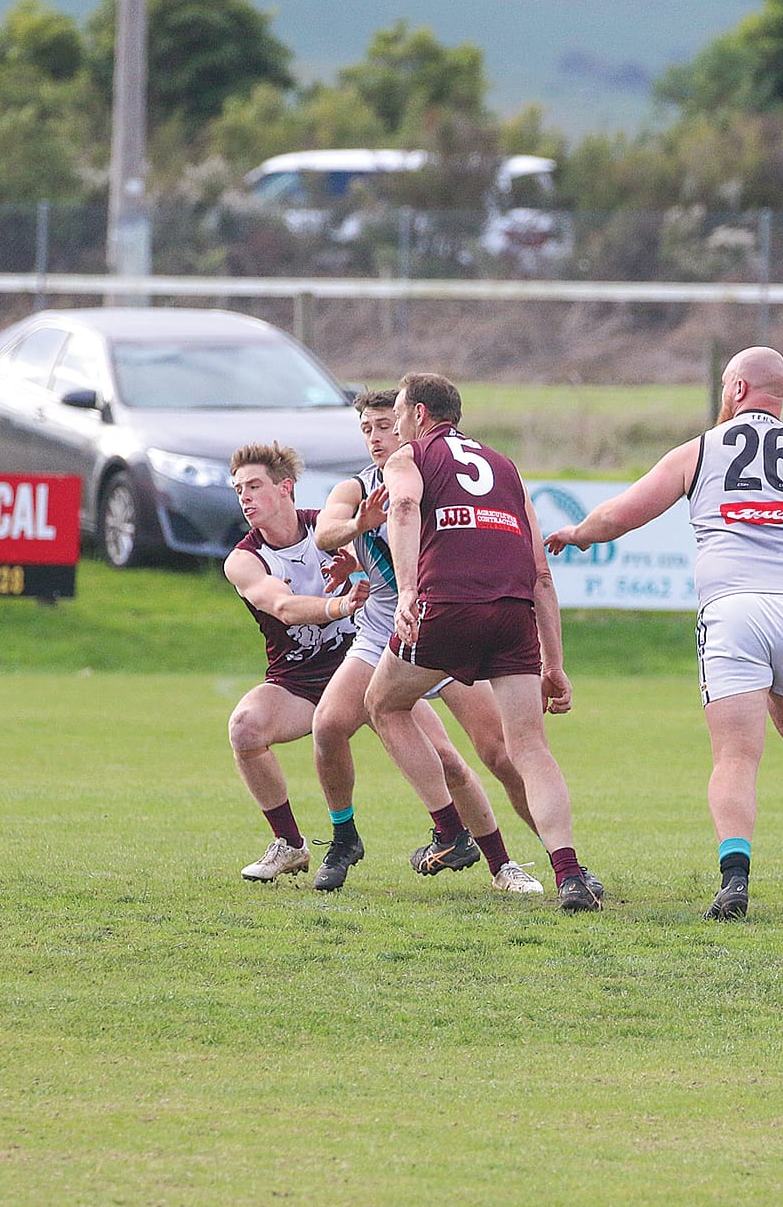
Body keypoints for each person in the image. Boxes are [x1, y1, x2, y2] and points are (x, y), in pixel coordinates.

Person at [544, 345, 783, 921]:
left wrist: (579, 533)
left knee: (736, 755)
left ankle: (735, 880)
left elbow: (623, 513)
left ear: (736, 389)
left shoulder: (702, 449)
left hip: (733, 609)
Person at [363, 373, 603, 912]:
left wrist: (406, 590)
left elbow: (403, 509)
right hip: (512, 614)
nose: (396, 426)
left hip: (447, 606)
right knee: (529, 748)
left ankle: (450, 830)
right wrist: (554, 663)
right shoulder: (506, 467)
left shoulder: (408, 457)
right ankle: (569, 874)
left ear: (419, 414)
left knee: (382, 704)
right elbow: (541, 574)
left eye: (397, 416)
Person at [309, 391, 543, 895]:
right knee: (327, 725)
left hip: (441, 623)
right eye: (367, 429)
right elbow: (325, 533)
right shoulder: (358, 487)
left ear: (409, 423)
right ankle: (345, 838)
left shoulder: (435, 475)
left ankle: (549, 859)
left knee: (495, 753)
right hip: (383, 630)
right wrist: (357, 528)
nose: (376, 437)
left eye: (384, 425)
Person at [221, 442, 365, 882]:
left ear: (285, 488)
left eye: (254, 486)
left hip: (364, 666)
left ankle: (495, 858)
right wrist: (341, 606)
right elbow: (283, 608)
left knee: (446, 755)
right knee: (245, 728)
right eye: (239, 489)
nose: (245, 497)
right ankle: (290, 844)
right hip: (298, 682)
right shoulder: (243, 559)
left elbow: (390, 568)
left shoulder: (329, 530)